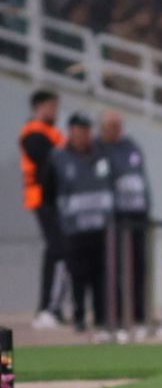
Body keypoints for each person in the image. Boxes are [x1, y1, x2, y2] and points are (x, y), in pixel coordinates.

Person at [43, 112, 114, 341]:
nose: (84, 135)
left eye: (86, 130)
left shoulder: (100, 154)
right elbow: (48, 191)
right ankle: (80, 316)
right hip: (74, 229)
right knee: (78, 276)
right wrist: (60, 219)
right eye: (79, 130)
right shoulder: (58, 157)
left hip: (101, 227)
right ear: (71, 131)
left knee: (101, 275)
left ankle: (102, 318)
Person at [96, 109, 152, 339]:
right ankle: (114, 315)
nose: (116, 129)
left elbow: (141, 178)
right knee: (114, 268)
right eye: (111, 125)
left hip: (137, 215)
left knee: (139, 266)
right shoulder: (98, 149)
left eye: (118, 124)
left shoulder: (131, 146)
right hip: (116, 219)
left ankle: (139, 315)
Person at [19, 89, 69, 329]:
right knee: (58, 249)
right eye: (51, 106)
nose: (55, 112)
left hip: (53, 200)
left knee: (58, 250)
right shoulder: (35, 134)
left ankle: (53, 306)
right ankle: (49, 307)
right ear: (39, 107)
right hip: (43, 199)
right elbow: (49, 166)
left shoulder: (50, 133)